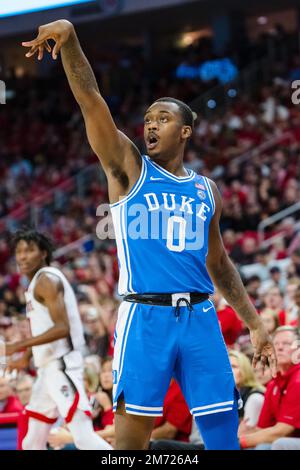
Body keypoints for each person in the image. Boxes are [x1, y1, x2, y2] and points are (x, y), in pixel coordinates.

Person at [22, 20, 276, 450]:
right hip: (145, 318)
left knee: (223, 436)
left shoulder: (206, 190)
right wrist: (70, 39)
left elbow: (220, 264)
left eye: (163, 118)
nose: (151, 125)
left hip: (200, 317)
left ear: (186, 131)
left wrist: (255, 325)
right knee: (130, 443)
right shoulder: (129, 169)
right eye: (147, 119)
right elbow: (91, 101)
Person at [5, 229, 112, 451]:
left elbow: (61, 328)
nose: (23, 256)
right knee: (31, 442)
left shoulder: (47, 280)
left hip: (62, 365)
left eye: (29, 250)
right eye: (19, 251)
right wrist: (25, 357)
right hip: (48, 369)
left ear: (44, 252)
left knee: (83, 437)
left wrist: (17, 345)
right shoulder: (36, 282)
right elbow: (42, 330)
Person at [238, 327, 300, 450]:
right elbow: (262, 429)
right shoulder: (273, 384)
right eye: (275, 344)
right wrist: (241, 435)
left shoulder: (298, 379)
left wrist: (236, 443)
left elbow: (282, 432)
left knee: (275, 445)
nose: (280, 347)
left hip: (287, 440)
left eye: (287, 343)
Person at [229, 351, 265, 430]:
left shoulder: (255, 397)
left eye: (234, 367)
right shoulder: (228, 395)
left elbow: (246, 432)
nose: (229, 371)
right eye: (227, 367)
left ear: (244, 370)